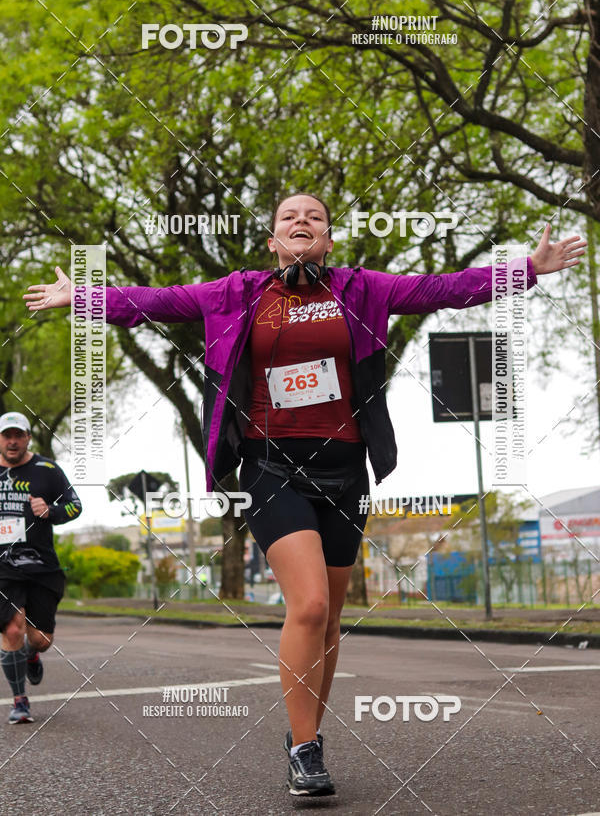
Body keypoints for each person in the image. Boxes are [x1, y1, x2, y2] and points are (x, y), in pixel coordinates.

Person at [23, 195, 586, 792]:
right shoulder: (236, 294)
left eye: (314, 219)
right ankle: (309, 750)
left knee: (332, 618)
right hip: (270, 467)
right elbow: (153, 303)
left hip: (346, 470)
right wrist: (81, 297)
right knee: (310, 605)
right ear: (272, 240)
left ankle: (301, 736)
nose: (301, 223)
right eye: (289, 218)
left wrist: (527, 268)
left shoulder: (363, 289)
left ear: (328, 240)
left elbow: (445, 288)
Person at [0, 411, 82, 723]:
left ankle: (32, 654)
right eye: (7, 435)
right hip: (3, 566)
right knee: (11, 629)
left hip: (41, 564)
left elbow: (75, 506)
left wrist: (51, 510)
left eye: (18, 435)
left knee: (40, 639)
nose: (12, 441)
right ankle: (19, 701)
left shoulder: (47, 469)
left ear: (27, 438)